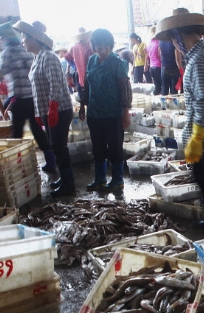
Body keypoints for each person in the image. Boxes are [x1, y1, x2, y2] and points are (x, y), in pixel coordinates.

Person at [156, 8, 204, 233]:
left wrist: (197, 139)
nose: (173, 44)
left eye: (173, 39)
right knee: (201, 179)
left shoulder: (199, 60)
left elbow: (203, 104)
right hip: (202, 135)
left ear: (181, 35)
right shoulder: (197, 56)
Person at [0, 22, 54, 171]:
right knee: (37, 130)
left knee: (17, 133)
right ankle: (51, 162)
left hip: (19, 100)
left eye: (0, 38)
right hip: (33, 98)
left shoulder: (8, 53)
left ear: (5, 39)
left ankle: (15, 165)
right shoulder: (26, 50)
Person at [14, 21, 74, 197]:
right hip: (48, 110)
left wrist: (53, 107)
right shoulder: (37, 57)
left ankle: (69, 184)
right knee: (55, 147)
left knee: (59, 147)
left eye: (25, 37)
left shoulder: (48, 57)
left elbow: (55, 84)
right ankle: (64, 179)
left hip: (59, 109)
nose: (23, 41)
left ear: (34, 39)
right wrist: (41, 112)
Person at [80, 29, 132, 193]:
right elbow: (87, 85)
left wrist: (125, 112)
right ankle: (100, 179)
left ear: (111, 47)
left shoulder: (118, 63)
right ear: (94, 47)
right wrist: (83, 105)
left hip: (113, 114)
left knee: (115, 147)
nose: (102, 51)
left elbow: (125, 88)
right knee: (98, 147)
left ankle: (117, 180)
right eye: (99, 47)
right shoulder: (91, 61)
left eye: (106, 47)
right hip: (94, 113)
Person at [65, 28, 92, 98]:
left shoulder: (74, 46)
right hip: (90, 76)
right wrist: (76, 66)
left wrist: (76, 66)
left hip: (80, 75)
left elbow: (67, 57)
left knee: (83, 96)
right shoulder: (89, 46)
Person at [146, 27, 162, 94]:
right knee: (162, 85)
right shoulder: (159, 43)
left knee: (157, 85)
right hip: (159, 66)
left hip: (152, 67)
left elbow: (147, 57)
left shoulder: (149, 44)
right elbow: (159, 55)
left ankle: (155, 96)